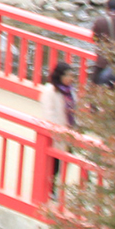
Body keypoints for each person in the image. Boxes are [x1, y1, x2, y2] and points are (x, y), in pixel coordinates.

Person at [39, 61, 77, 192]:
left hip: (68, 132)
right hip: (55, 134)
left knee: (63, 163)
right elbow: (49, 114)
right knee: (53, 164)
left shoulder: (70, 92)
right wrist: (58, 130)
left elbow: (74, 111)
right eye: (68, 75)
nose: (71, 79)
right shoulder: (50, 91)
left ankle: (54, 187)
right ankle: (49, 189)